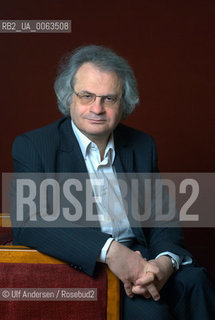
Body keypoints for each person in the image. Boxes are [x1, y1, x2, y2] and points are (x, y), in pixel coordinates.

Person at [11, 45, 215, 320]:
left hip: (144, 260)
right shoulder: (33, 146)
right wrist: (110, 251)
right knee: (151, 314)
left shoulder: (142, 145)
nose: (97, 108)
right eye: (87, 96)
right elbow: (28, 221)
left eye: (109, 99)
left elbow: (162, 218)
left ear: (124, 104)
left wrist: (164, 263)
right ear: (68, 97)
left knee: (197, 282)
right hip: (87, 267)